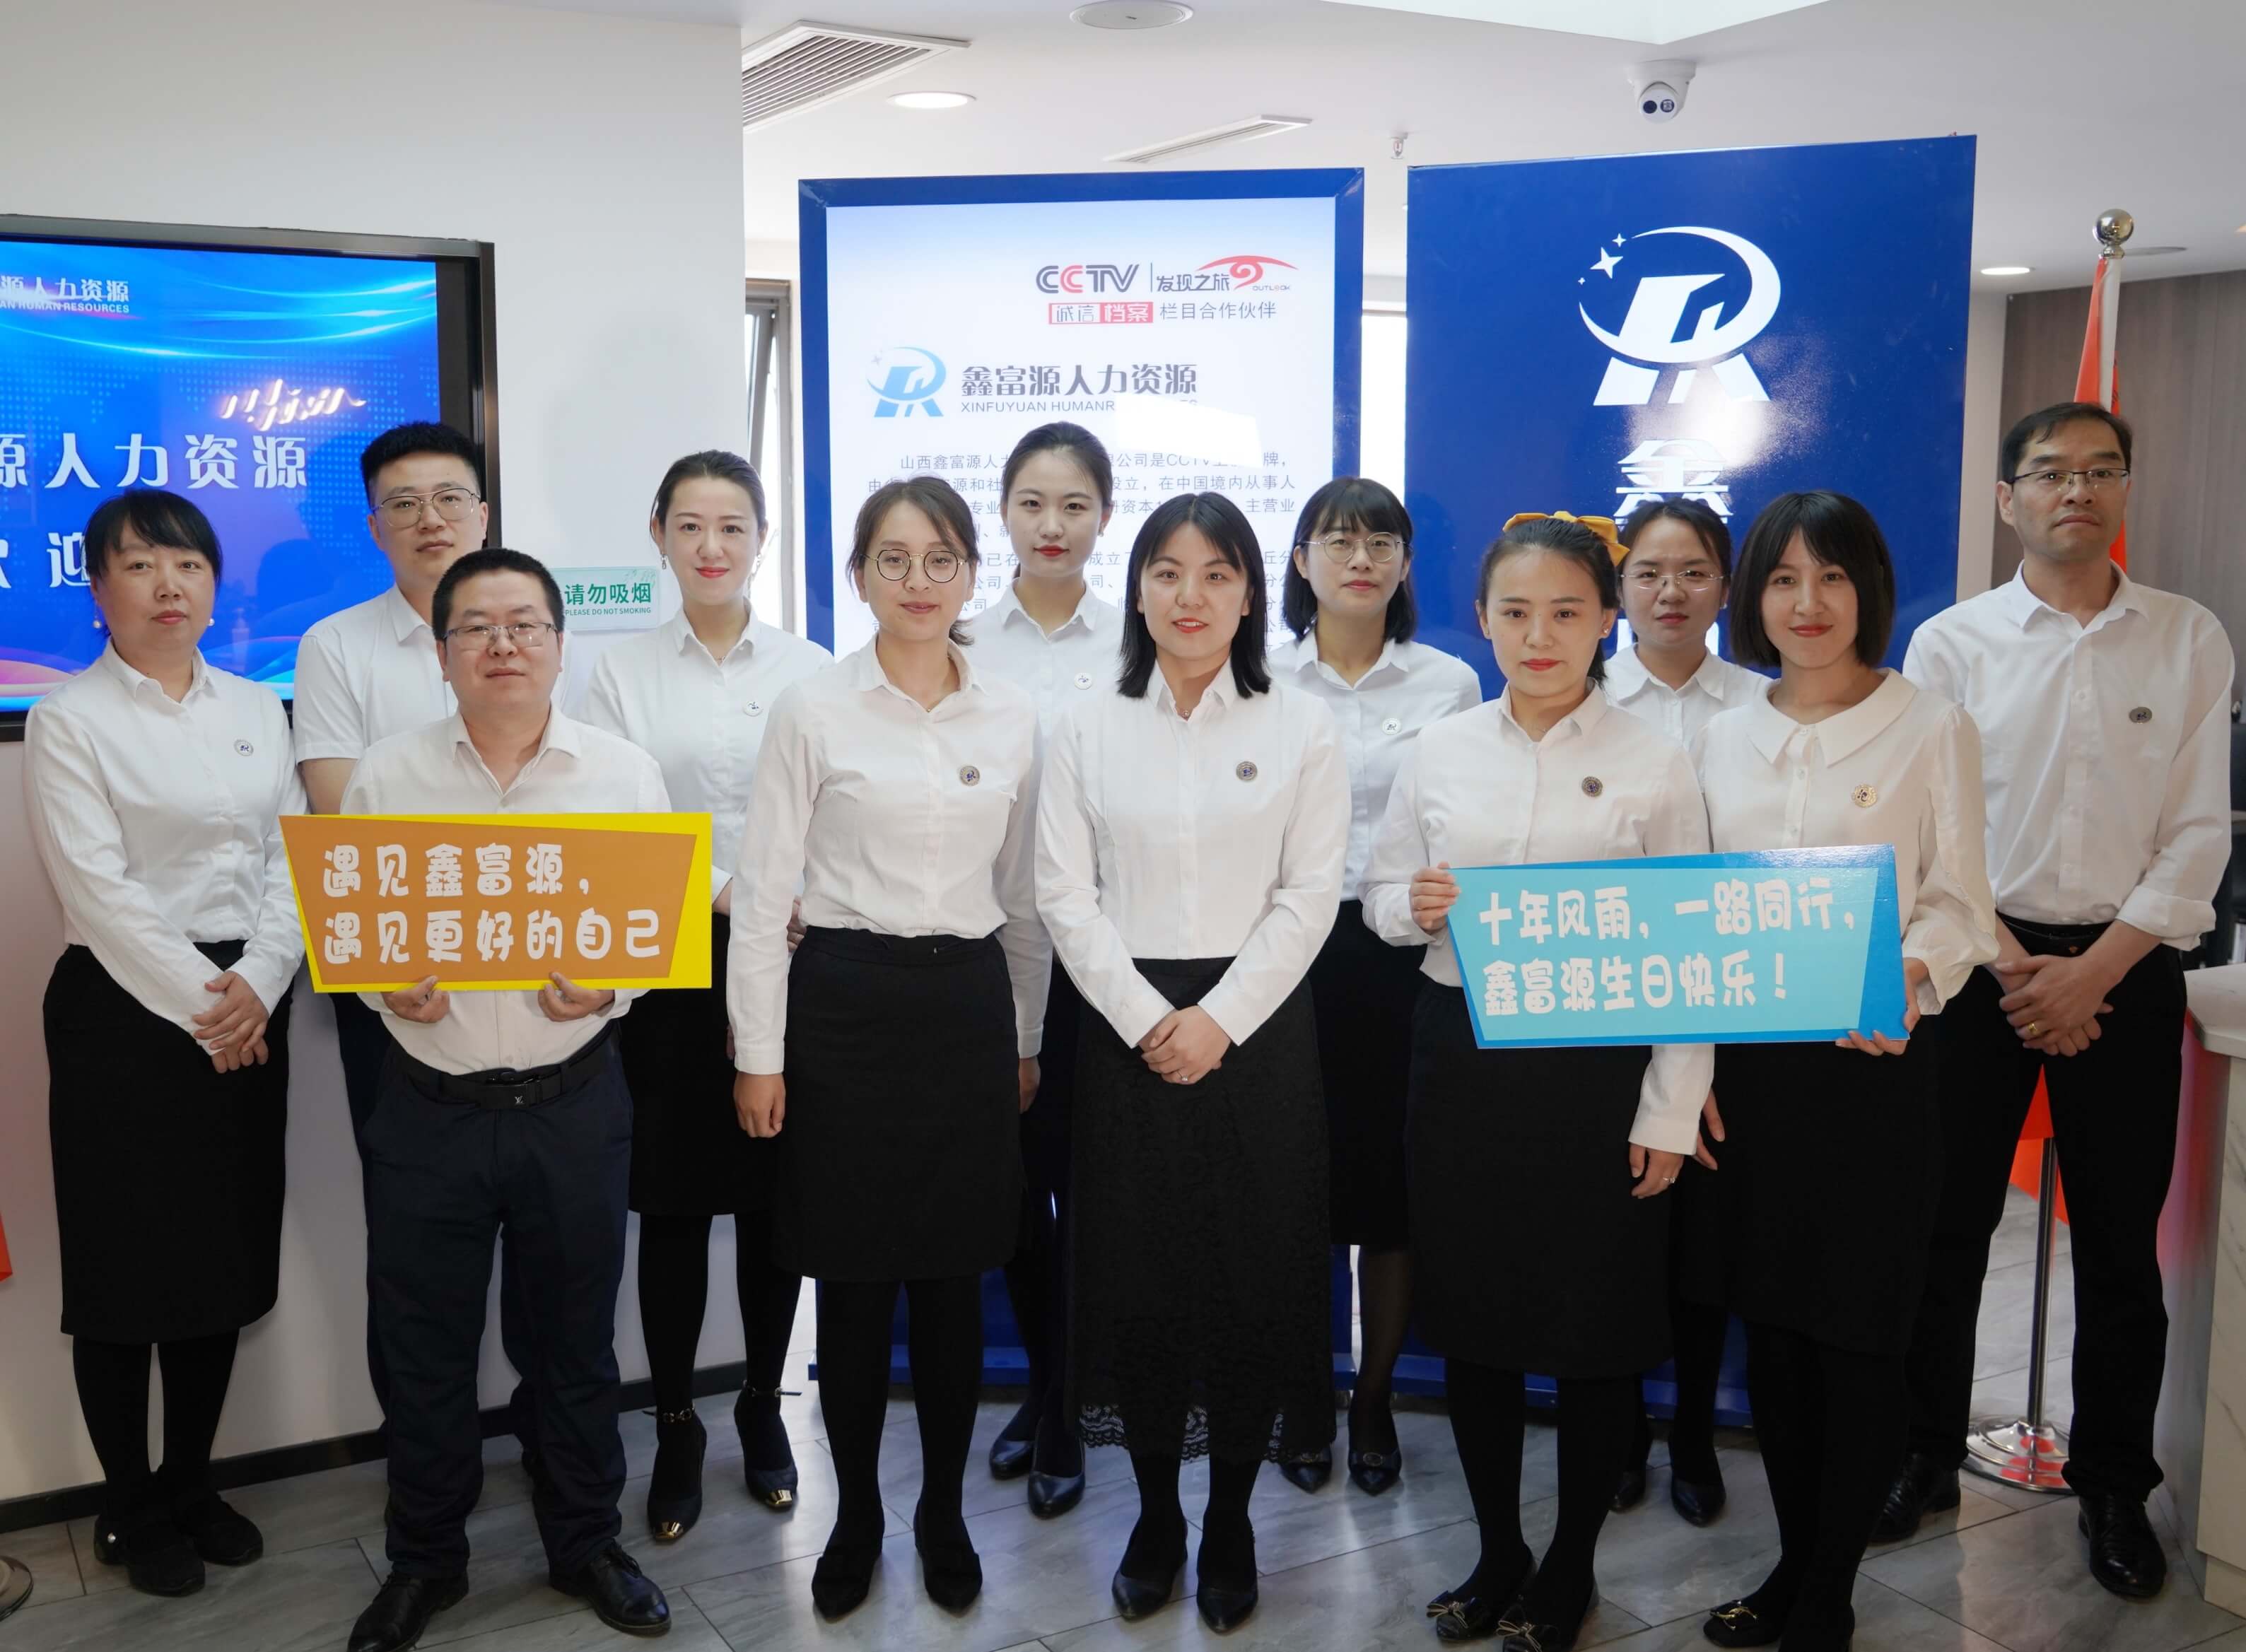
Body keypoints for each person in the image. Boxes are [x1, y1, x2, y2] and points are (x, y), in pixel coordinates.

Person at [1888, 404, 2233, 1597]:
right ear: (2007, 499)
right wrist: (2014, 964)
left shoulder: (2187, 636)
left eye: (2098, 470)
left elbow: (2197, 833)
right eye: (2048, 472)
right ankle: (1924, 1452)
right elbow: (1933, 830)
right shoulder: (1951, 644)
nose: (2073, 489)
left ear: (2124, 489)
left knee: (2121, 1250)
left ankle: (2112, 1487)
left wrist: (2094, 970)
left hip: (2123, 971)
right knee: (1945, 1228)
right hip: (1978, 966)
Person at [1365, 512, 1710, 1651]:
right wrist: (1410, 904)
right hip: (1461, 1058)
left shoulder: (1655, 760)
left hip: (1598, 1074)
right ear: (1481, 620)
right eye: (1514, 612)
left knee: (1592, 1330)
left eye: (1566, 610)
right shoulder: (1440, 748)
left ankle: (1568, 1567)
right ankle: (1497, 1549)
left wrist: (1669, 1108)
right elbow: (1380, 894)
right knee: (1476, 1323)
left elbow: (1688, 948)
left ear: (1606, 618)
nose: (1539, 634)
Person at [341, 549, 672, 1652]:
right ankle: (425, 1559)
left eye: (524, 624)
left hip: (571, 1102)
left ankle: (585, 1541)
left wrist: (612, 984)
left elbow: (649, 936)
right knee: (422, 1346)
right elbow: (356, 933)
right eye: (475, 627)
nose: (502, 645)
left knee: (575, 1343)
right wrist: (383, 981)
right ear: (441, 654)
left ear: (559, 645)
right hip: (428, 1106)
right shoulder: (387, 774)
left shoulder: (621, 772)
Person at [730, 476, 1045, 1620]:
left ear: (971, 573)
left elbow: (1024, 898)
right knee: (855, 1285)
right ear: (857, 574)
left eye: (941, 558)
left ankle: (941, 1513)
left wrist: (1024, 1037)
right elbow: (763, 891)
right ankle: (856, 1513)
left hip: (964, 1009)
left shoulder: (1012, 715)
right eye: (893, 559)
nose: (918, 580)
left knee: (954, 1283)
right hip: (842, 1008)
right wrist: (757, 1053)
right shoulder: (812, 708)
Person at [1690, 492, 1997, 1652]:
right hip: (1752, 1076)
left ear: (1867, 586)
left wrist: (1907, 973)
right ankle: (1790, 1561)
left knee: (1858, 1335)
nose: (1806, 603)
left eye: (1829, 577)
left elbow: (1960, 901)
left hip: (1872, 1070)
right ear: (1752, 597)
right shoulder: (1721, 731)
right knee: (1771, 1334)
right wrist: (1688, 1068)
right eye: (1781, 579)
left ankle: (1828, 1589)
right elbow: (1693, 906)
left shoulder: (1930, 723)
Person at [1037, 490, 1347, 1633]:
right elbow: (1063, 893)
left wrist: (1217, 1019)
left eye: (1217, 573)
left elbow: (1310, 895)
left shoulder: (1299, 722)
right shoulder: (1086, 723)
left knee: (1250, 1277)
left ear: (1251, 593)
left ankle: (1229, 1520)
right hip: (1124, 1034)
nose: (1190, 595)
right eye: (1167, 571)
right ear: (1136, 590)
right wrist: (1143, 1017)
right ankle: (1158, 1514)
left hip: (1257, 1036)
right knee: (1141, 1280)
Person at [26, 491, 304, 1598]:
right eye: (139, 565)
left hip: (251, 997)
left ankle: (193, 1481)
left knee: (219, 1258)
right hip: (124, 1014)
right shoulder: (70, 718)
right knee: (125, 1270)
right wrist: (211, 1004)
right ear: (99, 590)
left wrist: (263, 982)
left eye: (186, 563)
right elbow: (98, 891)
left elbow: (290, 860)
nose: (168, 584)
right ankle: (130, 1502)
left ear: (214, 582)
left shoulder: (257, 706)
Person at [579, 450, 829, 1541]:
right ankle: (676, 1421)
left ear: (762, 538)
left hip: (794, 955)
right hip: (672, 961)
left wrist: (790, 899)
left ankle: (763, 1406)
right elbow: (615, 816)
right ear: (659, 534)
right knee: (675, 1206)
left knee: (777, 1201)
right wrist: (733, 890)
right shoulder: (619, 673)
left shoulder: (811, 668)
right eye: (690, 525)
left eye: (733, 526)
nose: (712, 546)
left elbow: (838, 807)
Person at [291, 421, 535, 1442]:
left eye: (449, 498)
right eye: (404, 503)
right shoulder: (336, 646)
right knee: (412, 1238)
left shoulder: (532, 627)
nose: (429, 519)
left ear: (483, 513)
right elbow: (343, 816)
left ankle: (548, 1438)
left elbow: (577, 809)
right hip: (400, 983)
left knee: (549, 1237)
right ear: (374, 526)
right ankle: (424, 1466)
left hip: (539, 982)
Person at [1273, 476, 1479, 1499]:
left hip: (1404, 954)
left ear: (1403, 563)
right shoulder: (1259, 676)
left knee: (1392, 1191)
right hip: (1285, 956)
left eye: (1381, 542)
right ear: (1301, 559)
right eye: (1338, 540)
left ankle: (1374, 1399)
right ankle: (1305, 1393)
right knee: (1295, 1182)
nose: (1360, 559)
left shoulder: (1448, 684)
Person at [959, 421, 1124, 1516]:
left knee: (1098, 1186)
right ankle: (1050, 1386)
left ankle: (1069, 1400)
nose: (1051, 525)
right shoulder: (963, 641)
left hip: (1115, 957)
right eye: (1031, 503)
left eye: (1073, 505)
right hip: (999, 951)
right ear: (1004, 511)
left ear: (1103, 514)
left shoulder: (1140, 642)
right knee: (1018, 1187)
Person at [1603, 498, 1764, 1526]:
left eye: (1694, 571)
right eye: (1648, 572)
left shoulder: (1763, 705)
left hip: (1733, 1002)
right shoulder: (1575, 693)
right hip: (1607, 1006)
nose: (1671, 592)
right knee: (1616, 1227)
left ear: (1725, 586)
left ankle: (1694, 1432)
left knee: (1706, 1238)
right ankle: (1620, 1429)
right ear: (1617, 589)